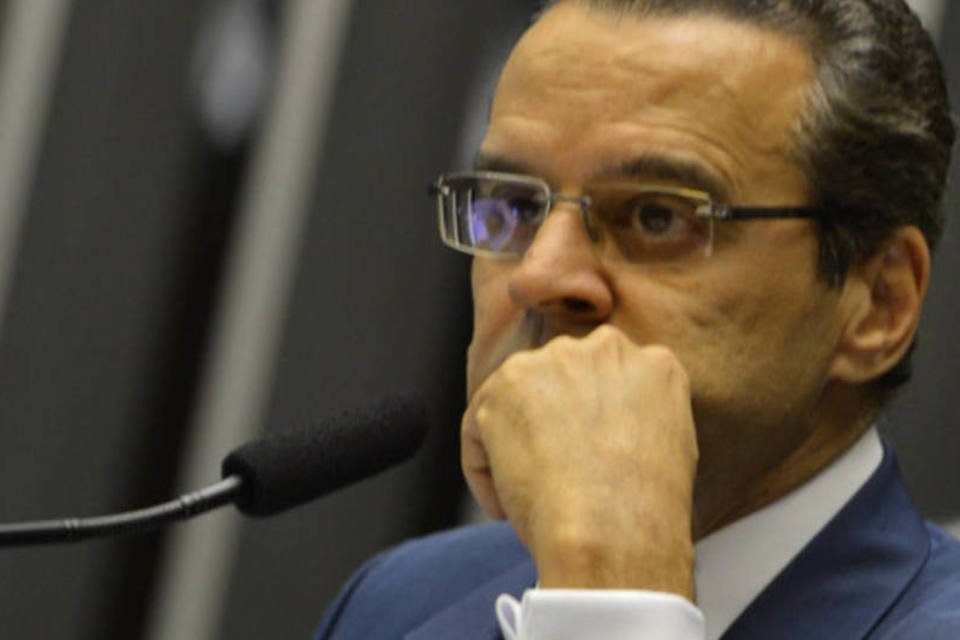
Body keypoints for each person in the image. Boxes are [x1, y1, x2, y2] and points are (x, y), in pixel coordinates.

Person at [316, 0, 960, 638]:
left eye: (657, 217)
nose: (540, 274)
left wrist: (610, 605)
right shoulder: (397, 603)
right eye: (514, 207)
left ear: (880, 303)